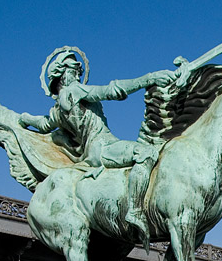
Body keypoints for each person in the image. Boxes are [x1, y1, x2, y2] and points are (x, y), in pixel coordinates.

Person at [18, 49, 177, 172]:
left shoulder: (57, 110)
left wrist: (26, 118)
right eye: (74, 70)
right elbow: (110, 91)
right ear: (63, 73)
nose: (78, 75)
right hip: (104, 147)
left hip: (90, 154)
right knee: (146, 153)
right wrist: (149, 79)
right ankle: (135, 211)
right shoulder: (75, 90)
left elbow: (44, 124)